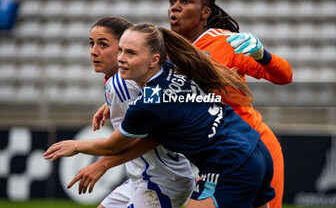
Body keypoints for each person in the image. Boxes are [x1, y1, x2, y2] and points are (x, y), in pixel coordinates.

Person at [44, 23, 275, 208]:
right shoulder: (172, 66)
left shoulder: (147, 106)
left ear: (154, 58)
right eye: (121, 50)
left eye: (131, 53)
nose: (121, 58)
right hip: (255, 147)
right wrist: (109, 105)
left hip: (229, 163)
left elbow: (111, 146)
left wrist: (76, 146)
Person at [167, 0, 293, 208]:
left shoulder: (226, 43)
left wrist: (261, 54)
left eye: (185, 1)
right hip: (217, 154)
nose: (175, 6)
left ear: (205, 12)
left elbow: (284, 76)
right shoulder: (168, 52)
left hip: (254, 144)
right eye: (172, 1)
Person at [70, 17, 195, 208]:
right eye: (91, 43)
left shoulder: (121, 83)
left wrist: (99, 162)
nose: (94, 51)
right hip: (146, 178)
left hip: (161, 180)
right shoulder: (136, 79)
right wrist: (109, 105)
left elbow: (154, 135)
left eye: (103, 45)